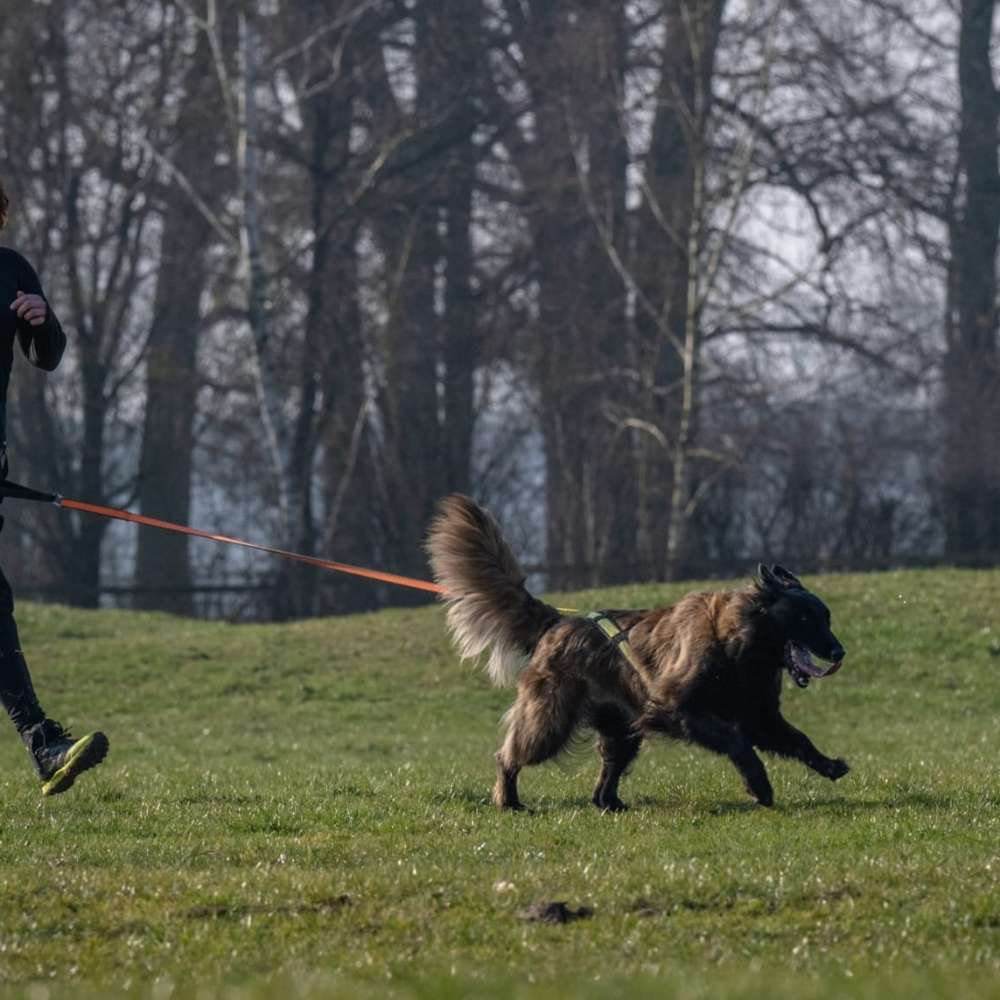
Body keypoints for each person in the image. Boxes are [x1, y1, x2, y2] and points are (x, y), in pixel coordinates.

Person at [0, 178, 108, 795]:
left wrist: (43, 324)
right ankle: (43, 742)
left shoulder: (12, 271)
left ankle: (45, 745)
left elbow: (48, 356)